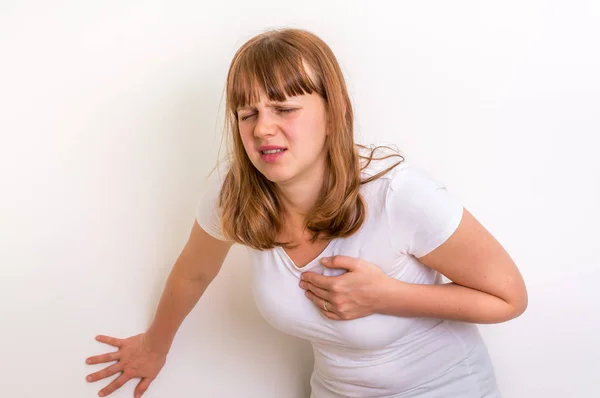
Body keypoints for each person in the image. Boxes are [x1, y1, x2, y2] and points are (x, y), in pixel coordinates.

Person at [85, 28, 528, 398]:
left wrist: (386, 295)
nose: (262, 128)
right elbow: (193, 273)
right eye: (248, 113)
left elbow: (508, 298)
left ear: (333, 115)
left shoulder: (399, 195)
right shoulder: (234, 194)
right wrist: (155, 347)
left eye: (284, 109)